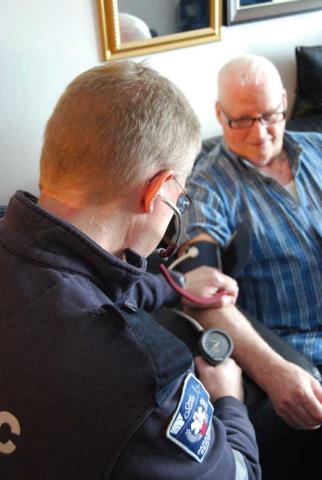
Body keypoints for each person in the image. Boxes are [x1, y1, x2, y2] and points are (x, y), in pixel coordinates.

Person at [0, 61, 260, 479]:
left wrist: (176, 286)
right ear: (157, 191)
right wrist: (229, 401)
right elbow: (240, 475)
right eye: (181, 193)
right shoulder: (145, 377)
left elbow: (73, 294)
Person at [180, 54, 322, 479]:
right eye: (241, 120)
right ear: (219, 115)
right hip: (303, 345)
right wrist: (275, 370)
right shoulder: (208, 188)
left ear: (284, 102)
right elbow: (199, 297)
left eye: (270, 116)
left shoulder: (317, 150)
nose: (260, 134)